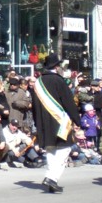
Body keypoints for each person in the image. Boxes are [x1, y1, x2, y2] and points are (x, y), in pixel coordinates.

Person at [32, 52, 81, 194]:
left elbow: (34, 106)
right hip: (60, 121)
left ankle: (51, 179)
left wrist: (37, 123)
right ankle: (51, 178)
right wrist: (76, 119)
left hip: (43, 122)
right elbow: (68, 102)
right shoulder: (59, 81)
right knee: (64, 149)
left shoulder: (38, 82)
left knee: (50, 151)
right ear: (56, 67)